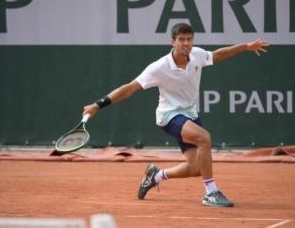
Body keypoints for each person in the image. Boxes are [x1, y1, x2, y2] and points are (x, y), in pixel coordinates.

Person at [83, 23, 269, 207]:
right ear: (173, 42)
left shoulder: (196, 54)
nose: (186, 43)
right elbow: (129, 88)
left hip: (190, 114)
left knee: (197, 168)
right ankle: (211, 193)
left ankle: (155, 176)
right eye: (182, 40)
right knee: (204, 138)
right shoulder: (159, 67)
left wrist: (245, 47)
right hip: (169, 116)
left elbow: (218, 55)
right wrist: (98, 105)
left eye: (189, 39)